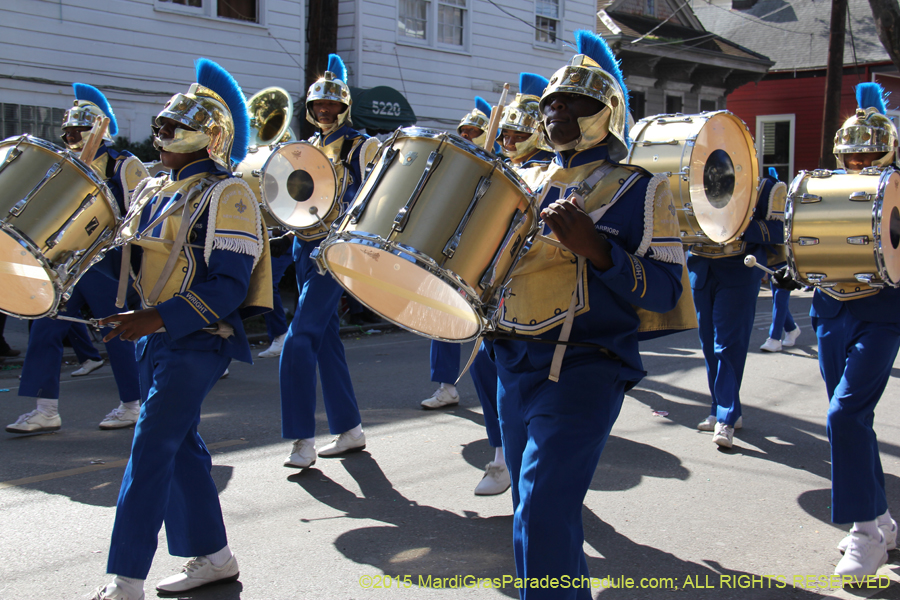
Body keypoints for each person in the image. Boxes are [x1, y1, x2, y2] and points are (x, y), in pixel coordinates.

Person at [493, 31, 683, 598]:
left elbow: (667, 289)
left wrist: (598, 250)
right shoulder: (521, 181)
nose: (556, 111)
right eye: (551, 102)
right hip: (511, 360)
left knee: (544, 510)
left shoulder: (642, 191)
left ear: (606, 114)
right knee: (529, 509)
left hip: (584, 366)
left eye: (574, 102)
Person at [90, 58, 269, 599]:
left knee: (151, 449)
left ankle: (125, 580)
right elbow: (126, 256)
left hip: (196, 339)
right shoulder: (154, 187)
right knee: (181, 445)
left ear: (210, 137)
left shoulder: (229, 193)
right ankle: (215, 556)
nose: (160, 135)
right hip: (155, 337)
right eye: (160, 126)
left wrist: (154, 317)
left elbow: (228, 287)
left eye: (173, 128)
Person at [5, 84, 145, 434]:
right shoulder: (64, 165)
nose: (70, 136)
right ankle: (45, 409)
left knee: (117, 330)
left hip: (106, 262)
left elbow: (141, 213)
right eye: (66, 130)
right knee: (44, 328)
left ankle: (133, 403)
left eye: (77, 131)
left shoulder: (123, 164)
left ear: (97, 130)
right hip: (67, 263)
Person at [807, 82, 900, 581]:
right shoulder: (824, 186)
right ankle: (882, 517)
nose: (861, 160)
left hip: (882, 314)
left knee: (843, 415)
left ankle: (865, 534)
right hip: (830, 310)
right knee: (852, 420)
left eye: (870, 151)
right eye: (852, 152)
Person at [280, 54, 377, 469]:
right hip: (303, 245)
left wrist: (340, 232)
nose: (324, 110)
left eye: (332, 104)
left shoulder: (360, 143)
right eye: (318, 104)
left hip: (333, 249)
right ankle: (349, 428)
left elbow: (371, 195)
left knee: (298, 338)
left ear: (344, 107)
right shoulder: (309, 146)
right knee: (325, 338)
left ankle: (301, 438)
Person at [689, 159, 786, 448]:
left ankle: (726, 418)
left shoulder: (767, 187)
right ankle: (721, 407)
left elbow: (778, 232)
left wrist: (739, 224)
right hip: (701, 268)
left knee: (728, 346)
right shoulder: (695, 180)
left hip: (740, 272)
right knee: (708, 345)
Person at [759, 168, 801, 353]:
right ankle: (792, 329)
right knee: (778, 298)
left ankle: (774, 338)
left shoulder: (784, 201)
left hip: (785, 258)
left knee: (780, 298)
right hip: (769, 257)